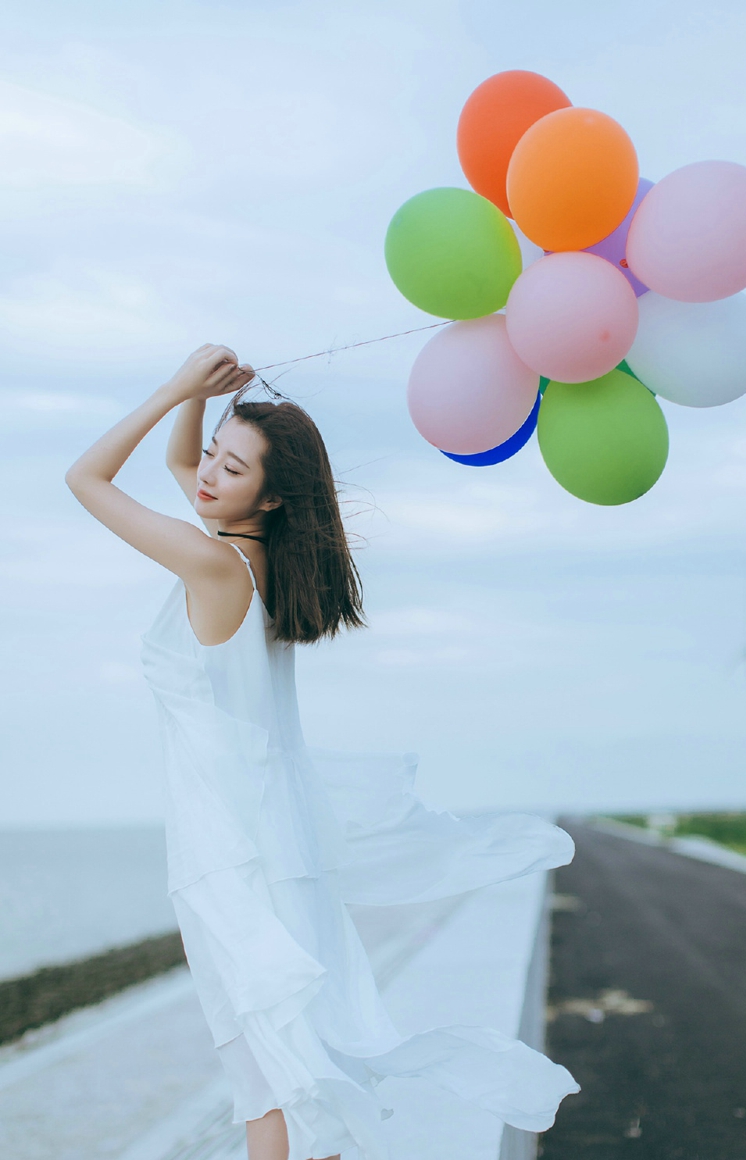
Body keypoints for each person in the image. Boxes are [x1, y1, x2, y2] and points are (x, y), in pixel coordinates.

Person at [65, 344, 579, 1160]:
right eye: (214, 458)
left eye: (230, 471)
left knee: (273, 1075)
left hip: (234, 856)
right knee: (288, 1074)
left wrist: (172, 387)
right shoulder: (249, 555)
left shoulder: (213, 563)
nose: (205, 476)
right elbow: (176, 456)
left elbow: (84, 480)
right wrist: (200, 403)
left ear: (267, 498)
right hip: (269, 845)